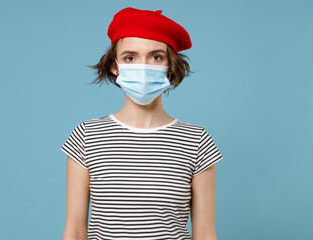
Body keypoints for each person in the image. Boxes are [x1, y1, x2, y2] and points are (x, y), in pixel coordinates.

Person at [61, 7, 224, 240]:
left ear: (170, 66)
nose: (143, 67)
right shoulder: (87, 136)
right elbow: (75, 231)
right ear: (114, 66)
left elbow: (206, 234)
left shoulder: (196, 141)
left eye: (156, 57)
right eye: (130, 57)